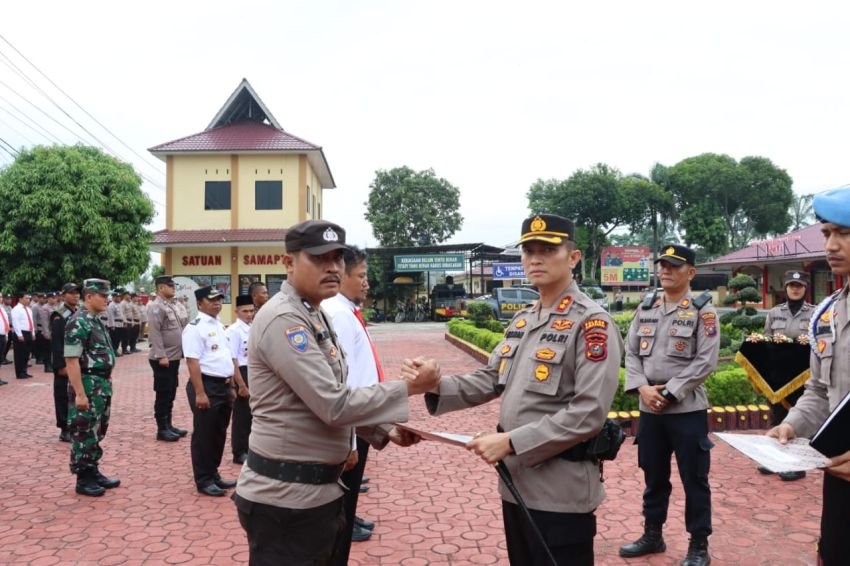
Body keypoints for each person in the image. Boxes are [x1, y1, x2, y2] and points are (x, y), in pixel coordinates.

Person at [408, 214, 623, 566]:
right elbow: (492, 377)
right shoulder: (524, 319)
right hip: (516, 484)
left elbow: (588, 414)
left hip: (560, 492)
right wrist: (434, 385)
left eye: (547, 250)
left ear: (573, 257)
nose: (535, 259)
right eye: (528, 251)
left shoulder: (591, 323)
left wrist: (509, 442)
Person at [233, 219, 434, 566]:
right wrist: (409, 388)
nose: (332, 268)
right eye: (319, 258)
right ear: (289, 263)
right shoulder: (285, 319)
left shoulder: (314, 313)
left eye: (337, 258)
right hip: (285, 501)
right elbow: (332, 404)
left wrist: (382, 429)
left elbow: (324, 397)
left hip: (312, 494)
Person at [619, 244, 719, 566]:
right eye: (662, 265)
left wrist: (670, 392)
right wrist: (642, 389)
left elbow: (706, 361)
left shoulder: (703, 310)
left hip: (686, 410)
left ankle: (699, 544)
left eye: (674, 266)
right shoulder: (646, 306)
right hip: (650, 410)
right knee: (653, 476)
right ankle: (653, 534)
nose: (665, 270)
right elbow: (630, 351)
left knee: (695, 479)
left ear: (690, 272)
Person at [769, 187, 850, 566]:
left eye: (844, 234)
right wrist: (792, 425)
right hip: (839, 469)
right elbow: (819, 388)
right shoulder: (829, 313)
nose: (832, 245)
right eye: (827, 233)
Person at [322, 245, 383, 555]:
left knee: (348, 493)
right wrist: (349, 441)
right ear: (342, 275)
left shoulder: (346, 312)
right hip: (351, 423)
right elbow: (339, 379)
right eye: (361, 276)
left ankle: (350, 521)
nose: (366, 282)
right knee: (342, 494)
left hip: (360, 419)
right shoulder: (338, 315)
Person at [65, 279, 120, 497]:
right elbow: (71, 360)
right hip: (88, 384)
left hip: (101, 384)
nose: (106, 299)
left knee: (97, 429)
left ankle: (93, 470)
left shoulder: (95, 320)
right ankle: (83, 478)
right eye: (102, 295)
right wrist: (79, 393)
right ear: (89, 297)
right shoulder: (78, 321)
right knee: (83, 430)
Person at [758, 270, 814, 481]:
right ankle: (774, 459)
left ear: (805, 288)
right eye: (791, 285)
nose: (795, 289)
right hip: (778, 377)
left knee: (798, 419)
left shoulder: (815, 313)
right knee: (776, 416)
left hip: (803, 378)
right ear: (786, 288)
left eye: (799, 286)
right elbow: (766, 341)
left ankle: (796, 464)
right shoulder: (775, 313)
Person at [182, 285, 236, 497]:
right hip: (206, 386)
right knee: (204, 434)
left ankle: (213, 473)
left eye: (219, 299)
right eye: (212, 299)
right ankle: (203, 479)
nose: (217, 303)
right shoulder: (195, 328)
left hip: (222, 386)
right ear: (200, 303)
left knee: (218, 433)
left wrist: (230, 385)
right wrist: (200, 393)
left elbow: (223, 357)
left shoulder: (218, 325)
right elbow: (192, 362)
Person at [147, 275, 189, 442]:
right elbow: (155, 332)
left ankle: (169, 425)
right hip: (163, 358)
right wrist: (161, 355)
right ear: (161, 288)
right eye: (170, 286)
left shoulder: (170, 306)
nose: (173, 288)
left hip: (173, 357)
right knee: (163, 393)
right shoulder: (156, 307)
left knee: (170, 391)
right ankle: (162, 429)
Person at [51, 283, 81, 442]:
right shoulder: (59, 314)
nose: (76, 295)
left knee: (74, 394)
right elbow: (56, 343)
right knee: (62, 394)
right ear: (63, 295)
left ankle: (73, 424)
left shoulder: (78, 311)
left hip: (75, 359)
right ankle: (64, 428)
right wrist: (60, 365)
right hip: (64, 361)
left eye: (77, 293)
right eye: (72, 293)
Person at [228, 295, 253, 465]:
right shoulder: (234, 331)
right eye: (245, 311)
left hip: (254, 372)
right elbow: (233, 359)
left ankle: (251, 448)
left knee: (253, 415)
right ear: (237, 311)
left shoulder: (252, 327)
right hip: (241, 373)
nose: (249, 314)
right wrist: (241, 385)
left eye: (252, 310)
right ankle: (239, 452)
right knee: (241, 415)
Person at [11, 292, 35, 379]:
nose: (28, 300)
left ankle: (24, 371)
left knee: (26, 354)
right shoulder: (16, 309)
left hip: (28, 332)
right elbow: (15, 322)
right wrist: (19, 334)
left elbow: (31, 322)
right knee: (19, 354)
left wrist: (32, 333)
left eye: (29, 298)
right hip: (20, 333)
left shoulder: (28, 309)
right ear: (20, 299)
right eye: (26, 298)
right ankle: (19, 372)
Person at [107, 291, 124, 357]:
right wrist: (112, 325)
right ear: (114, 297)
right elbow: (111, 316)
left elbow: (121, 315)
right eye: (117, 297)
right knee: (114, 339)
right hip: (115, 325)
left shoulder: (119, 305)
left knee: (118, 339)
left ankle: (116, 350)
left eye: (119, 297)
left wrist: (123, 322)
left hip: (120, 324)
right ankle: (113, 351)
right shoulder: (112, 305)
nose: (119, 298)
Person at [0, 292, 9, 385]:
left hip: (2, 335)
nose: (1, 299)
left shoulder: (2, 309)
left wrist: (6, 335)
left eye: (1, 297)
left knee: (0, 358)